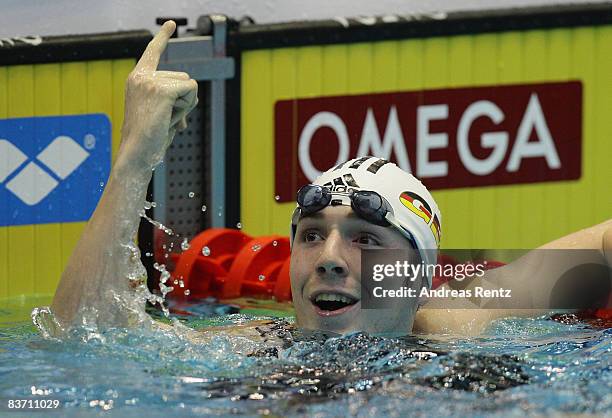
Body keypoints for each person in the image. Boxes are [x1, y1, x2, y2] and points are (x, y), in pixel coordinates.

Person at [47, 21, 612, 339]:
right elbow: (80, 340)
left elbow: (598, 252)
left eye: (365, 238)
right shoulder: (247, 351)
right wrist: (131, 160)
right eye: (312, 234)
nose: (330, 258)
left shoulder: (451, 324)